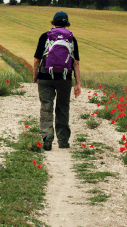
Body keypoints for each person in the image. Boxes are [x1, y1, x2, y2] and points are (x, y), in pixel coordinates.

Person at [33, 11, 81, 151]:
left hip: (45, 76)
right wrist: (78, 83)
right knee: (63, 107)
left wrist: (35, 75)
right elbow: (76, 63)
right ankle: (63, 141)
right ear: (67, 24)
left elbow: (37, 59)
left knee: (46, 106)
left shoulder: (45, 36)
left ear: (53, 22)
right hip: (65, 78)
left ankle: (47, 136)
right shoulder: (71, 38)